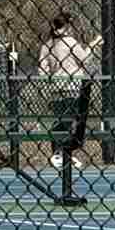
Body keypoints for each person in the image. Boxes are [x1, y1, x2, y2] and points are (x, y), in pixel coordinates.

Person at [39, 9, 96, 167]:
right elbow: (85, 59)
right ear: (67, 26)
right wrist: (93, 45)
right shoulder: (70, 42)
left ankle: (63, 153)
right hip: (72, 86)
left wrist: (49, 83)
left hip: (56, 87)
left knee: (63, 120)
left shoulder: (46, 45)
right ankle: (60, 153)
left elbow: (42, 69)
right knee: (70, 121)